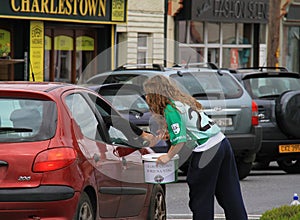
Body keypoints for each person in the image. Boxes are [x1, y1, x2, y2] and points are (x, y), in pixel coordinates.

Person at [143, 75, 248, 220]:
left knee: (200, 197)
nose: (146, 97)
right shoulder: (181, 102)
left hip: (207, 150)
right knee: (229, 192)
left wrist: (167, 157)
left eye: (147, 93)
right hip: (222, 143)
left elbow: (179, 140)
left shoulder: (170, 109)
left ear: (155, 94)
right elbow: (188, 128)